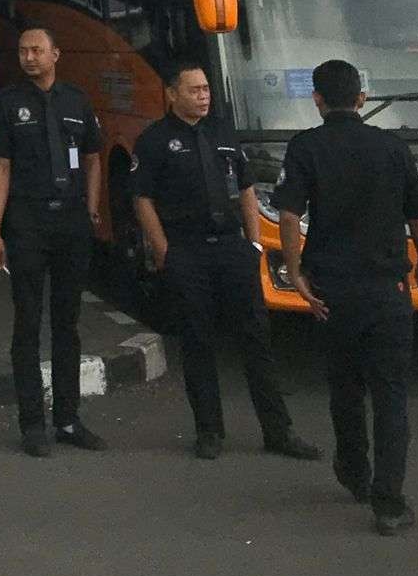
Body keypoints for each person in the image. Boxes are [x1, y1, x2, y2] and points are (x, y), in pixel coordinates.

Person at [275, 59, 418, 536]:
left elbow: (287, 216)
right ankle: (389, 502)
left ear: (317, 100)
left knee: (344, 385)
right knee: (390, 394)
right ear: (362, 99)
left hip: (332, 291)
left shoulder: (305, 147)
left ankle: (353, 470)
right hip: (387, 290)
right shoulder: (391, 146)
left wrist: (296, 271)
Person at [131, 61, 318, 463]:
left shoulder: (222, 133)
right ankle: (209, 430)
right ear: (172, 94)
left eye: (205, 89)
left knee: (256, 340)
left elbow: (246, 188)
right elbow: (142, 198)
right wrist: (163, 249)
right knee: (198, 342)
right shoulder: (154, 140)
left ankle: (279, 430)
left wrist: (253, 243)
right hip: (187, 250)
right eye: (194, 89)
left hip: (231, 249)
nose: (203, 95)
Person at [0, 25, 107, 457]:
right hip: (27, 223)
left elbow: (93, 158)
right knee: (27, 322)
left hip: (71, 222)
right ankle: (32, 423)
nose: (29, 57)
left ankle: (69, 418)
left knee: (68, 323)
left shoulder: (77, 100)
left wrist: (92, 207)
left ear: (56, 53)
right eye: (22, 51)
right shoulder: (9, 102)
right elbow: (1, 169)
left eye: (37, 50)